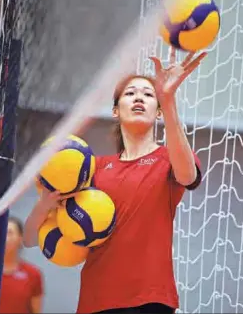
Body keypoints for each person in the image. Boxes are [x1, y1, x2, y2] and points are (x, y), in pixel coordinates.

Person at [23, 48, 207, 314]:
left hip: (151, 300)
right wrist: (45, 204)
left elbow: (188, 177)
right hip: (97, 301)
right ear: (116, 111)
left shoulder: (169, 159)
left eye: (148, 94)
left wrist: (168, 100)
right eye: (130, 93)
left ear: (157, 111)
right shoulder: (91, 169)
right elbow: (29, 238)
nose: (139, 98)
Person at [0, 216, 44, 313]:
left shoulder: (33, 274)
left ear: (20, 238)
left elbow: (36, 310)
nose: (5, 238)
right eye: (2, 233)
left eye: (9, 233)